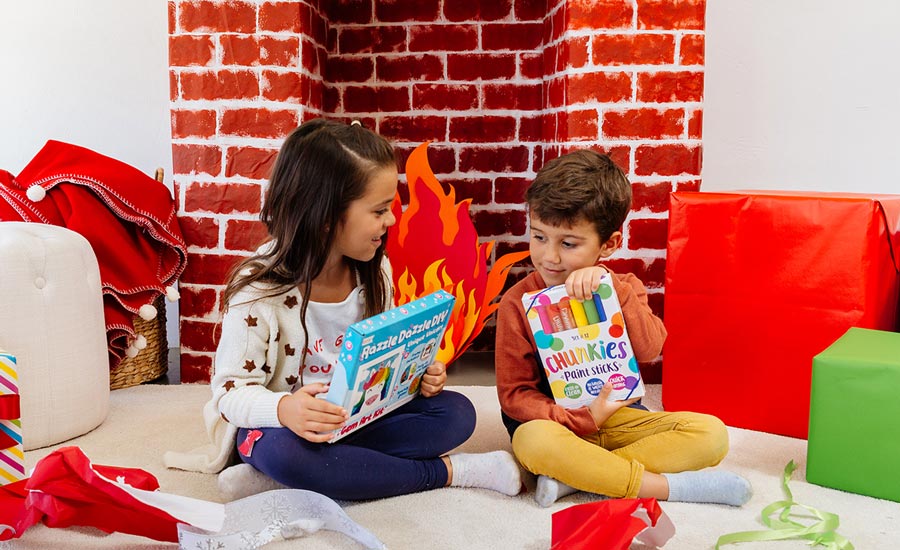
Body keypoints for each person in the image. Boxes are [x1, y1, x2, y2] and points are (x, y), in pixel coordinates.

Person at [164, 119, 521, 501]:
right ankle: (447, 473)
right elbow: (228, 394)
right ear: (325, 216)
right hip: (282, 430)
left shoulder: (374, 270)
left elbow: (385, 361)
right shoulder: (258, 291)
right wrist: (285, 409)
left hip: (357, 419)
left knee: (457, 414)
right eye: (380, 210)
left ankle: (293, 477)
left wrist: (420, 374)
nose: (392, 220)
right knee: (281, 452)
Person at [495, 149, 752, 508]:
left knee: (711, 434)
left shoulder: (622, 287)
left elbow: (649, 348)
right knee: (532, 442)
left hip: (621, 421)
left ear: (610, 244)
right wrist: (581, 418)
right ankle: (666, 488)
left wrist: (609, 288)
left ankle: (577, 478)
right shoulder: (517, 302)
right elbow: (515, 396)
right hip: (556, 426)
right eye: (539, 237)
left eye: (568, 243)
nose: (549, 256)